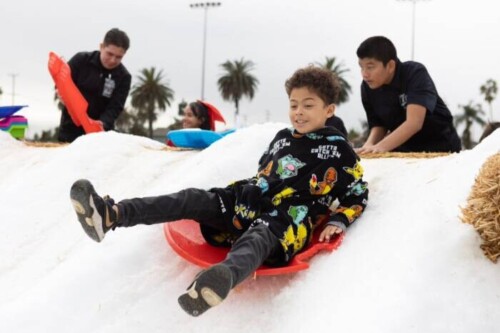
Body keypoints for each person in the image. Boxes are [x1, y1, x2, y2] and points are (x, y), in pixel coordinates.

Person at [69, 66, 369, 317]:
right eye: (293, 104)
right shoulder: (281, 138)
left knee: (260, 236)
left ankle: (221, 278)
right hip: (248, 202)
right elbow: (265, 173)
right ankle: (112, 214)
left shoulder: (339, 149)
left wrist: (338, 219)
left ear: (328, 109)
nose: (299, 112)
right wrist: (245, 195)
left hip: (287, 219)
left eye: (308, 105)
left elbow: (358, 192)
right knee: (192, 198)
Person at [355, 36, 461, 153]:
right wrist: (369, 145)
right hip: (405, 151)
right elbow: (378, 125)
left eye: (370, 67)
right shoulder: (367, 87)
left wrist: (380, 147)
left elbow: (414, 123)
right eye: (361, 67)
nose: (364, 74)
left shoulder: (415, 74)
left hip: (442, 147)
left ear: (390, 66)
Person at [58, 28, 132, 143]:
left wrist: (102, 123)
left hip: (99, 137)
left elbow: (115, 107)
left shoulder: (124, 77)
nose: (113, 60)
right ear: (102, 46)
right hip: (69, 132)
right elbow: (61, 83)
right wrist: (62, 95)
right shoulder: (80, 60)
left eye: (118, 57)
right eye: (110, 54)